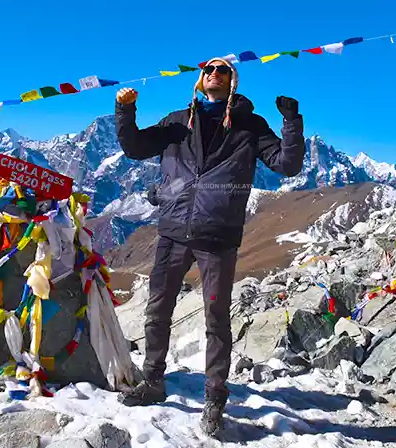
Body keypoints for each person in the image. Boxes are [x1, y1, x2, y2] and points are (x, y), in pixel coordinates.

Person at [113, 56, 305, 438]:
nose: (213, 74)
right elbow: (135, 147)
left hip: (218, 234)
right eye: (208, 70)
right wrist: (125, 108)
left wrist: (291, 122)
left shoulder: (251, 126)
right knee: (158, 309)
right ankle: (152, 379)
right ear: (199, 80)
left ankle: (215, 398)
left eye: (222, 71)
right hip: (172, 229)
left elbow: (287, 165)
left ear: (232, 81)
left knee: (217, 319)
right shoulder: (176, 121)